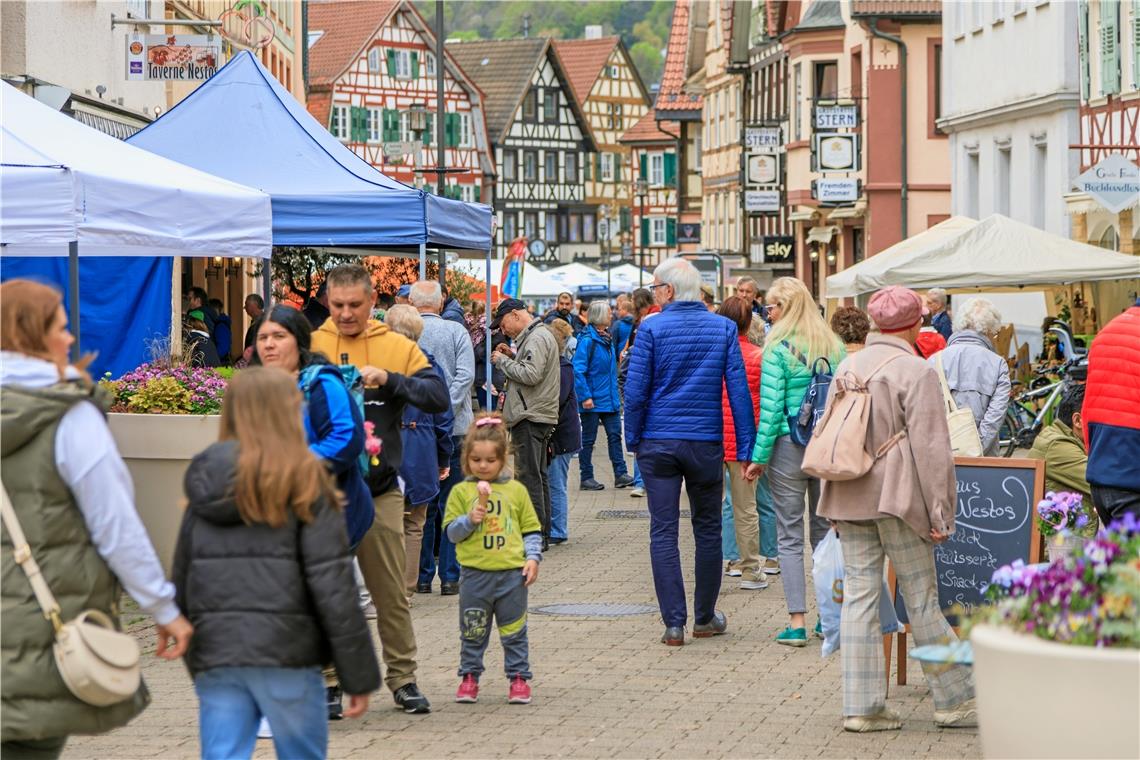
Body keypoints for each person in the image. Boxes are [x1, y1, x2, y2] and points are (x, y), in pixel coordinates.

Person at [1, 279, 193, 759]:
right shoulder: (67, 417)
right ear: (31, 335)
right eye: (61, 329)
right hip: (33, 634)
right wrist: (163, 608)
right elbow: (116, 526)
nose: (70, 339)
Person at [175, 367, 381, 759]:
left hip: (220, 655)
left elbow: (184, 573)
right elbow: (333, 586)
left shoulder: (206, 479)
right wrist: (357, 674)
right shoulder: (306, 480)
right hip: (290, 653)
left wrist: (188, 640)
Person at [817, 286, 976, 733]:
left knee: (860, 598)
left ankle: (862, 708)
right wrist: (941, 510)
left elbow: (830, 433)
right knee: (921, 598)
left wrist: (829, 494)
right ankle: (954, 700)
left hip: (849, 494)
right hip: (900, 499)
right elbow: (931, 449)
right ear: (913, 324)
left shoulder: (847, 365)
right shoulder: (915, 370)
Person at [311, 264, 449, 715]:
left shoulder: (394, 345)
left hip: (379, 489)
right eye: (337, 306)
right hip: (323, 492)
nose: (346, 314)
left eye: (355, 305)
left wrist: (390, 381)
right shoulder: (312, 345)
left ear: (373, 301)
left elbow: (437, 396)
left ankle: (403, 679)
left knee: (390, 590)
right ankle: (330, 682)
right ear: (327, 302)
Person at [251, 305, 377, 718]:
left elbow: (346, 438)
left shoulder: (321, 384)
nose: (269, 344)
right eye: (263, 337)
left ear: (299, 341)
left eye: (278, 336)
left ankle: (328, 682)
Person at [624, 258, 755, 646]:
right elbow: (738, 394)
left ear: (667, 291)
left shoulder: (651, 329)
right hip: (704, 442)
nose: (652, 293)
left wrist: (633, 440)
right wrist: (745, 447)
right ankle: (704, 617)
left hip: (659, 442)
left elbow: (635, 392)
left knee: (663, 530)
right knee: (708, 528)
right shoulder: (724, 328)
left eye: (654, 287)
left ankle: (674, 623)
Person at [744, 276, 845, 647]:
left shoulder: (776, 348)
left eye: (770, 306)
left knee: (789, 534)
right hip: (827, 446)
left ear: (784, 308)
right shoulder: (833, 345)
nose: (766, 312)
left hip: (789, 445)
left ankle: (797, 621)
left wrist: (757, 458)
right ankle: (825, 618)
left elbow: (770, 412)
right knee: (824, 531)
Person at [444, 414, 543, 705]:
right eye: (476, 460)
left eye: (490, 460)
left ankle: (519, 678)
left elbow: (531, 529)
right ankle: (470, 677)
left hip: (512, 576)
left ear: (503, 459)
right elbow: (451, 533)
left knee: (514, 631)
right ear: (466, 460)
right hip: (475, 575)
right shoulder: (461, 492)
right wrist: (469, 520)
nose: (483, 466)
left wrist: (533, 558)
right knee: (472, 630)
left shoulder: (516, 491)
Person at [408, 280, 475, 597]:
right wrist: (445, 404)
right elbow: (467, 375)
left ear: (411, 301)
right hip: (457, 428)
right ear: (440, 302)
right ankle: (450, 576)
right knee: (454, 503)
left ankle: (421, 576)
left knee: (422, 508)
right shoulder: (456, 331)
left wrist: (430, 406)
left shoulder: (405, 334)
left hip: (418, 429)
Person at [383, 306, 454, 597]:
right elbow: (443, 418)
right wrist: (444, 456)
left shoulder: (378, 365)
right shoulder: (429, 368)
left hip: (384, 450)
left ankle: (387, 589)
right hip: (421, 450)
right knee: (414, 524)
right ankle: (407, 590)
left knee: (387, 524)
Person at [489, 298, 560, 550]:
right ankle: (542, 532)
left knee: (530, 477)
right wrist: (513, 356)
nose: (502, 330)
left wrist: (502, 362)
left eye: (503, 323)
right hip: (536, 413)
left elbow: (531, 375)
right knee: (537, 475)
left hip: (529, 415)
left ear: (516, 315)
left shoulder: (537, 337)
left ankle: (535, 535)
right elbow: (531, 368)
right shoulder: (535, 336)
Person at [716, 296, 768, 591]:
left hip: (711, 440)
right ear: (749, 322)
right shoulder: (757, 356)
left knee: (713, 506)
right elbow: (762, 405)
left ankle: (721, 563)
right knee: (746, 508)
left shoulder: (712, 353)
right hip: (744, 442)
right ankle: (750, 569)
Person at [928, 297, 1011, 457]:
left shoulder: (934, 360)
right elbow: (996, 415)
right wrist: (975, 448)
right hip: (983, 459)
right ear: (989, 330)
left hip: (940, 453)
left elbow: (926, 411)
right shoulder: (998, 363)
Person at [1082, 303, 1140, 523]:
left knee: (1122, 557)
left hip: (1102, 477)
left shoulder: (1107, 332)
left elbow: (1088, 408)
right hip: (1133, 477)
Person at [573, 301, 633, 491]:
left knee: (615, 435)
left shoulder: (606, 339)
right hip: (592, 399)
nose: (611, 315)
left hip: (609, 398)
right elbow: (578, 370)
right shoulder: (587, 341)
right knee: (588, 440)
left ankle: (620, 474)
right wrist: (585, 396)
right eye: (608, 312)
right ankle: (586, 476)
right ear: (599, 316)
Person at [1028, 384, 1098, 537]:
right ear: (1078, 421)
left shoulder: (1060, 435)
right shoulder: (1058, 445)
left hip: (1067, 538)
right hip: (1061, 547)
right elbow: (1101, 481)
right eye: (1099, 418)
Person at [545, 319, 580, 545]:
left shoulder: (563, 367)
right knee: (553, 481)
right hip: (561, 433)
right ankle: (555, 527)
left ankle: (558, 529)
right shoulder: (559, 366)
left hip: (562, 434)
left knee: (556, 483)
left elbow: (556, 401)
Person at [620, 288, 656, 498]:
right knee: (639, 435)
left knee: (641, 436)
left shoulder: (651, 318)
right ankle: (641, 482)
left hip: (647, 389)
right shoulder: (638, 321)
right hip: (640, 387)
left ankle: (644, 482)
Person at [208, 298, 233, 362]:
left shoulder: (220, 326)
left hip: (221, 363)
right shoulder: (218, 324)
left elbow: (223, 348)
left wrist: (212, 359)